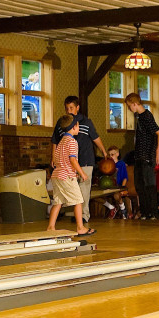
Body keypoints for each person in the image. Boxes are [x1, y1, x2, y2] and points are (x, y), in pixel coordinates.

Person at [51, 96, 107, 224]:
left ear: (77, 108)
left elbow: (95, 137)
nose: (69, 111)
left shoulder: (86, 122)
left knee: (84, 189)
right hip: (68, 163)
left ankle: (83, 215)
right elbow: (55, 140)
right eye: (67, 108)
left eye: (71, 108)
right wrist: (53, 157)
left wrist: (103, 151)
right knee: (70, 190)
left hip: (85, 159)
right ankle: (73, 215)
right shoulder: (63, 123)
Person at [47, 114, 95, 236]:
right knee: (78, 201)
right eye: (78, 125)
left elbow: (57, 160)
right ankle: (80, 227)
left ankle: (51, 227)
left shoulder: (61, 142)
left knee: (58, 202)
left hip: (57, 176)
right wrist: (82, 173)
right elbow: (73, 160)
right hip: (67, 176)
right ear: (74, 127)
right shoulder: (72, 142)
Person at [126, 92, 159, 221]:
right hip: (139, 157)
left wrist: (158, 152)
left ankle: (152, 212)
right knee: (140, 185)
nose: (130, 109)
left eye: (130, 106)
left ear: (135, 104)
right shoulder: (140, 118)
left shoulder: (147, 116)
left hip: (147, 156)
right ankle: (145, 212)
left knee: (149, 185)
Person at [102, 145, 130, 219]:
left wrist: (122, 188)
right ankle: (111, 208)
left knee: (116, 196)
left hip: (118, 187)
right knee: (96, 196)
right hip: (109, 187)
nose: (111, 156)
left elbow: (125, 177)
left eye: (112, 154)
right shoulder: (107, 164)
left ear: (117, 154)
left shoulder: (121, 164)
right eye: (109, 155)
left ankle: (123, 209)